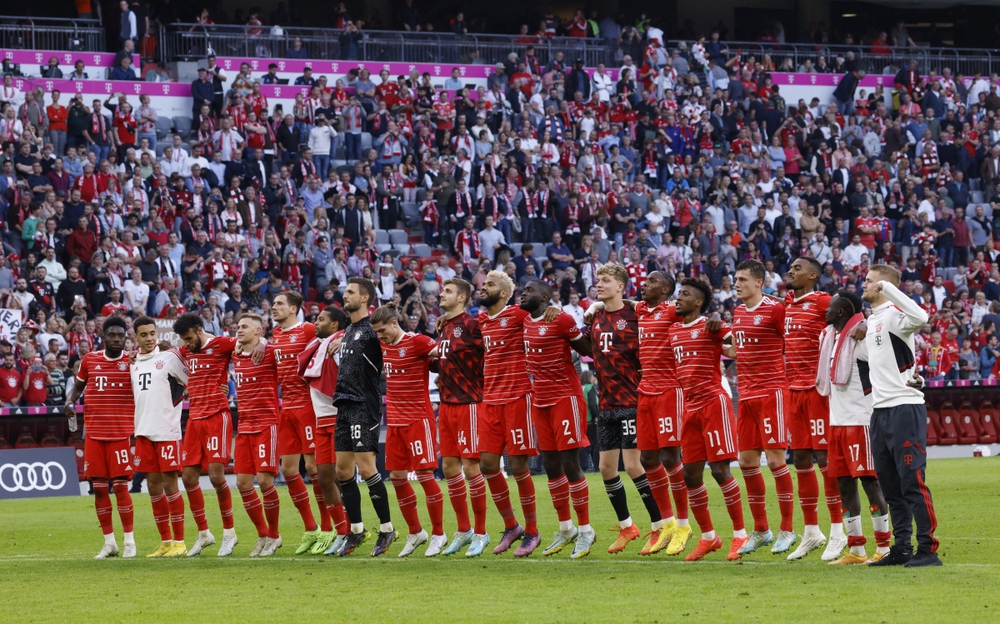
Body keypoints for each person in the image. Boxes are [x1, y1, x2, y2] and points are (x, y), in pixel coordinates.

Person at [582, 264, 667, 555]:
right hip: (606, 404)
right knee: (606, 468)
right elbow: (584, 346)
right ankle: (628, 526)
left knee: (633, 466)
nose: (600, 284)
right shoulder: (594, 317)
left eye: (606, 281)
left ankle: (658, 527)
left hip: (631, 401)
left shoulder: (635, 314)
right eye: (598, 281)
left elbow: (658, 309)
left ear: (621, 286)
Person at [861, 264, 941, 567]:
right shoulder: (873, 321)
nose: (864, 284)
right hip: (880, 412)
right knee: (891, 486)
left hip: (905, 409)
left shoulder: (895, 314)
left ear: (883, 286)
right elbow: (892, 361)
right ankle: (902, 548)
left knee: (912, 482)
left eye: (870, 281)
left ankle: (928, 550)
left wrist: (890, 291)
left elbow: (922, 318)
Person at [475, 270, 554, 557]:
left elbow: (542, 312)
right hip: (490, 401)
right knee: (486, 465)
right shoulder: (480, 320)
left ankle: (533, 531)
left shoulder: (518, 315)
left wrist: (553, 307)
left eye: (491, 285)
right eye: (483, 284)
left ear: (505, 294)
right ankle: (512, 526)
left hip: (518, 398)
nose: (484, 288)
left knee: (519, 467)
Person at [667, 278, 747, 562]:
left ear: (698, 303)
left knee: (720, 471)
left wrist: (719, 320)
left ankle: (740, 535)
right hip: (688, 409)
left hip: (713, 403)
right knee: (690, 474)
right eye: (679, 293)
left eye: (685, 294)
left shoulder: (710, 326)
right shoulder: (674, 330)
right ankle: (709, 537)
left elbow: (737, 347)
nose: (679, 298)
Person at [519, 279, 596, 559]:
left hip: (566, 398)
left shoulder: (561, 319)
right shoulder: (524, 319)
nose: (523, 293)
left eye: (529, 290)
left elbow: (587, 349)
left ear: (544, 297)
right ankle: (566, 528)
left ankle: (586, 530)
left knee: (569, 462)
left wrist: (565, 314)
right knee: (550, 464)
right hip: (540, 401)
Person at [174, 313, 259, 557]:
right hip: (194, 420)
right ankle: (204, 534)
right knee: (188, 477)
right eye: (184, 340)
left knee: (215, 475)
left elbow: (247, 346)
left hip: (216, 416)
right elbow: (171, 355)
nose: (187, 344)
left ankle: (229, 534)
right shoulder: (186, 350)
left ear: (199, 330)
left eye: (189, 338)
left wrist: (231, 383)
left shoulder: (221, 344)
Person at [817, 291, 891, 565]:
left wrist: (868, 322)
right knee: (844, 485)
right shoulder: (830, 338)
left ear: (841, 312)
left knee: (871, 483)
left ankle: (883, 547)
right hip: (837, 422)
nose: (826, 311)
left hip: (861, 421)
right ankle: (856, 550)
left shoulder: (861, 340)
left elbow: (884, 357)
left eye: (831, 307)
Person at [730, 260, 798, 557]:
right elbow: (736, 350)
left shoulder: (775, 309)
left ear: (759, 282)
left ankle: (787, 529)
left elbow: (792, 341)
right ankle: (761, 530)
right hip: (745, 396)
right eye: (736, 279)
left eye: (743, 279)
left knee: (774, 461)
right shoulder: (737, 313)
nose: (737, 283)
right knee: (746, 462)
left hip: (772, 393)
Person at [370, 303, 447, 557]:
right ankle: (416, 532)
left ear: (394, 323)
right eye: (377, 332)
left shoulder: (417, 342)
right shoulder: (382, 344)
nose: (380, 336)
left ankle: (439, 534)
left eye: (383, 330)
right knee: (398, 478)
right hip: (395, 422)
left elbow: (446, 353)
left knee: (425, 476)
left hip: (418, 420)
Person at [783, 256, 846, 561]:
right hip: (793, 390)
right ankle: (811, 532)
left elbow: (853, 317)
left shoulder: (823, 302)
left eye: (796, 269)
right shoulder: (788, 304)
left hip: (819, 390)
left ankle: (838, 532)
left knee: (825, 457)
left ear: (811, 276)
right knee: (801, 458)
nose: (790, 271)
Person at [332, 277, 396, 557]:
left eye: (350, 292)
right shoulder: (348, 330)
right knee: (342, 471)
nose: (344, 296)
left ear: (366, 298)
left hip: (363, 404)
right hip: (344, 404)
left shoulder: (372, 331)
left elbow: (394, 341)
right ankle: (356, 531)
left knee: (367, 468)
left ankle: (387, 528)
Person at [64, 316, 136, 559]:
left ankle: (129, 542)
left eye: (120, 335)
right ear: (103, 336)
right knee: (99, 489)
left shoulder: (132, 361)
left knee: (121, 487)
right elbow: (78, 387)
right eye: (112, 335)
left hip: (119, 433)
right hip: (94, 433)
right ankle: (109, 543)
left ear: (125, 338)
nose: (116, 339)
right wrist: (70, 400)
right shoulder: (90, 359)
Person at [429, 278, 491, 557]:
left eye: (449, 291)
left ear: (463, 297)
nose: (442, 294)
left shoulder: (473, 324)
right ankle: (464, 530)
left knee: (470, 469)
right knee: (450, 469)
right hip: (446, 405)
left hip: (469, 404)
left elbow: (491, 349)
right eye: (443, 290)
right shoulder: (444, 327)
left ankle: (481, 532)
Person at [632, 271, 691, 555]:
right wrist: (594, 307)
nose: (645, 284)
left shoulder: (672, 311)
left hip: (670, 391)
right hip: (645, 391)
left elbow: (696, 318)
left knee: (670, 456)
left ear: (666, 289)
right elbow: (622, 304)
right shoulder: (641, 309)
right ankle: (666, 524)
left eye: (652, 281)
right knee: (647, 458)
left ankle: (683, 524)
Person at [270, 291, 328, 554]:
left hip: (307, 406)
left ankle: (330, 528)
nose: (274, 307)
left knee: (315, 467)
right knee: (289, 469)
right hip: (287, 409)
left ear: (293, 308)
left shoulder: (308, 330)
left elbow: (331, 341)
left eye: (280, 304)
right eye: (273, 304)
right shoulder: (276, 335)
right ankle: (311, 527)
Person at [130, 317, 189, 558]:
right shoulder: (132, 363)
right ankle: (165, 542)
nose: (149, 338)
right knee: (153, 487)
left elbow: (191, 380)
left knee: (170, 485)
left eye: (152, 333)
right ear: (136, 337)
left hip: (166, 431)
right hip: (143, 432)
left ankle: (180, 542)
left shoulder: (169, 358)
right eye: (143, 335)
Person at [296, 305, 351, 555]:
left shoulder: (340, 343)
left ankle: (354, 529)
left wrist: (347, 341)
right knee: (324, 477)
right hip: (321, 421)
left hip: (339, 418)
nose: (315, 323)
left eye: (321, 320)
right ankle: (342, 532)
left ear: (335, 325)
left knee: (342, 477)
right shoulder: (318, 345)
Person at [231, 313, 283, 556]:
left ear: (258, 331)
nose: (239, 330)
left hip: (266, 425)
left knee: (264, 481)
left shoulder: (270, 352)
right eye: (238, 326)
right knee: (242, 483)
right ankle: (262, 535)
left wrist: (265, 345)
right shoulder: (235, 352)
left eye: (244, 327)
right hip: (244, 428)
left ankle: (274, 535)